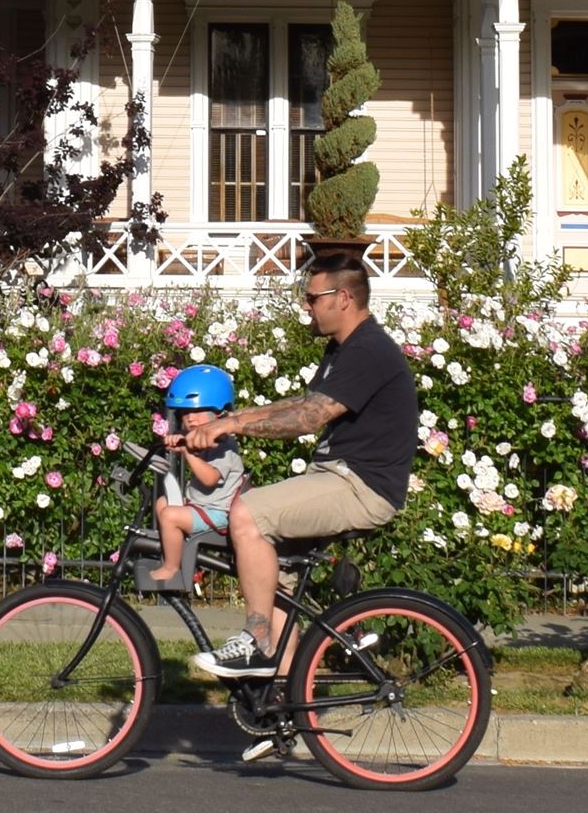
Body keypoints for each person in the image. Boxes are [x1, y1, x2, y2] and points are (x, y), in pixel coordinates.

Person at [175, 256, 416, 681]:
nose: (306, 306)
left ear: (343, 298)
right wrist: (228, 422)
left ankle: (255, 641)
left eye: (311, 298)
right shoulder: (342, 350)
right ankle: (282, 703)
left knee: (247, 513)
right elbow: (298, 405)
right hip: (336, 478)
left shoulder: (369, 350)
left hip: (361, 486)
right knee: (276, 581)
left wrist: (230, 425)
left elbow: (309, 419)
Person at [146, 362, 245, 593]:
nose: (190, 419)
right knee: (162, 503)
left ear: (219, 413)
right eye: (185, 413)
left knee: (170, 516)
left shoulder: (225, 444)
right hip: (201, 504)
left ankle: (172, 569)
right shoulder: (198, 436)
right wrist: (176, 440)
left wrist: (188, 453)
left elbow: (210, 478)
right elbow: (183, 439)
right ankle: (172, 553)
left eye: (198, 412)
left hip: (219, 513)